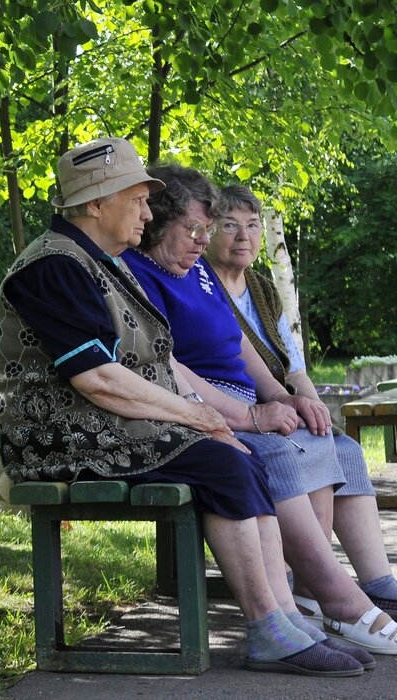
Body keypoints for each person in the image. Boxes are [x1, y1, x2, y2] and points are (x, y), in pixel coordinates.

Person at [0, 137, 366, 676]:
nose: (147, 211)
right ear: (97, 203)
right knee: (222, 460)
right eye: (138, 198)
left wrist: (213, 418)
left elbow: (151, 365)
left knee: (235, 455)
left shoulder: (101, 262)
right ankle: (267, 627)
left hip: (108, 427)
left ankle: (284, 616)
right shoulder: (54, 266)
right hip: (60, 439)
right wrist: (196, 416)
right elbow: (97, 378)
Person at [122, 164, 397, 656]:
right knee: (280, 452)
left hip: (244, 399)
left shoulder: (195, 269)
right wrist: (250, 416)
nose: (204, 240)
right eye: (198, 229)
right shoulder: (137, 274)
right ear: (157, 223)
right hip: (202, 409)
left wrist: (282, 396)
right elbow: (167, 365)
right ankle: (335, 599)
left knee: (333, 445)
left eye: (210, 228)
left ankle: (333, 590)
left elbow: (241, 346)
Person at [206, 183, 397, 620]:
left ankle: (378, 583)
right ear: (208, 230)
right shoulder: (201, 283)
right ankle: (312, 584)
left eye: (253, 226)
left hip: (280, 406)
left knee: (342, 447)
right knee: (307, 449)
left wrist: (313, 408)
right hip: (240, 409)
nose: (244, 237)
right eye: (230, 226)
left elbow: (293, 368)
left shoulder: (262, 287)